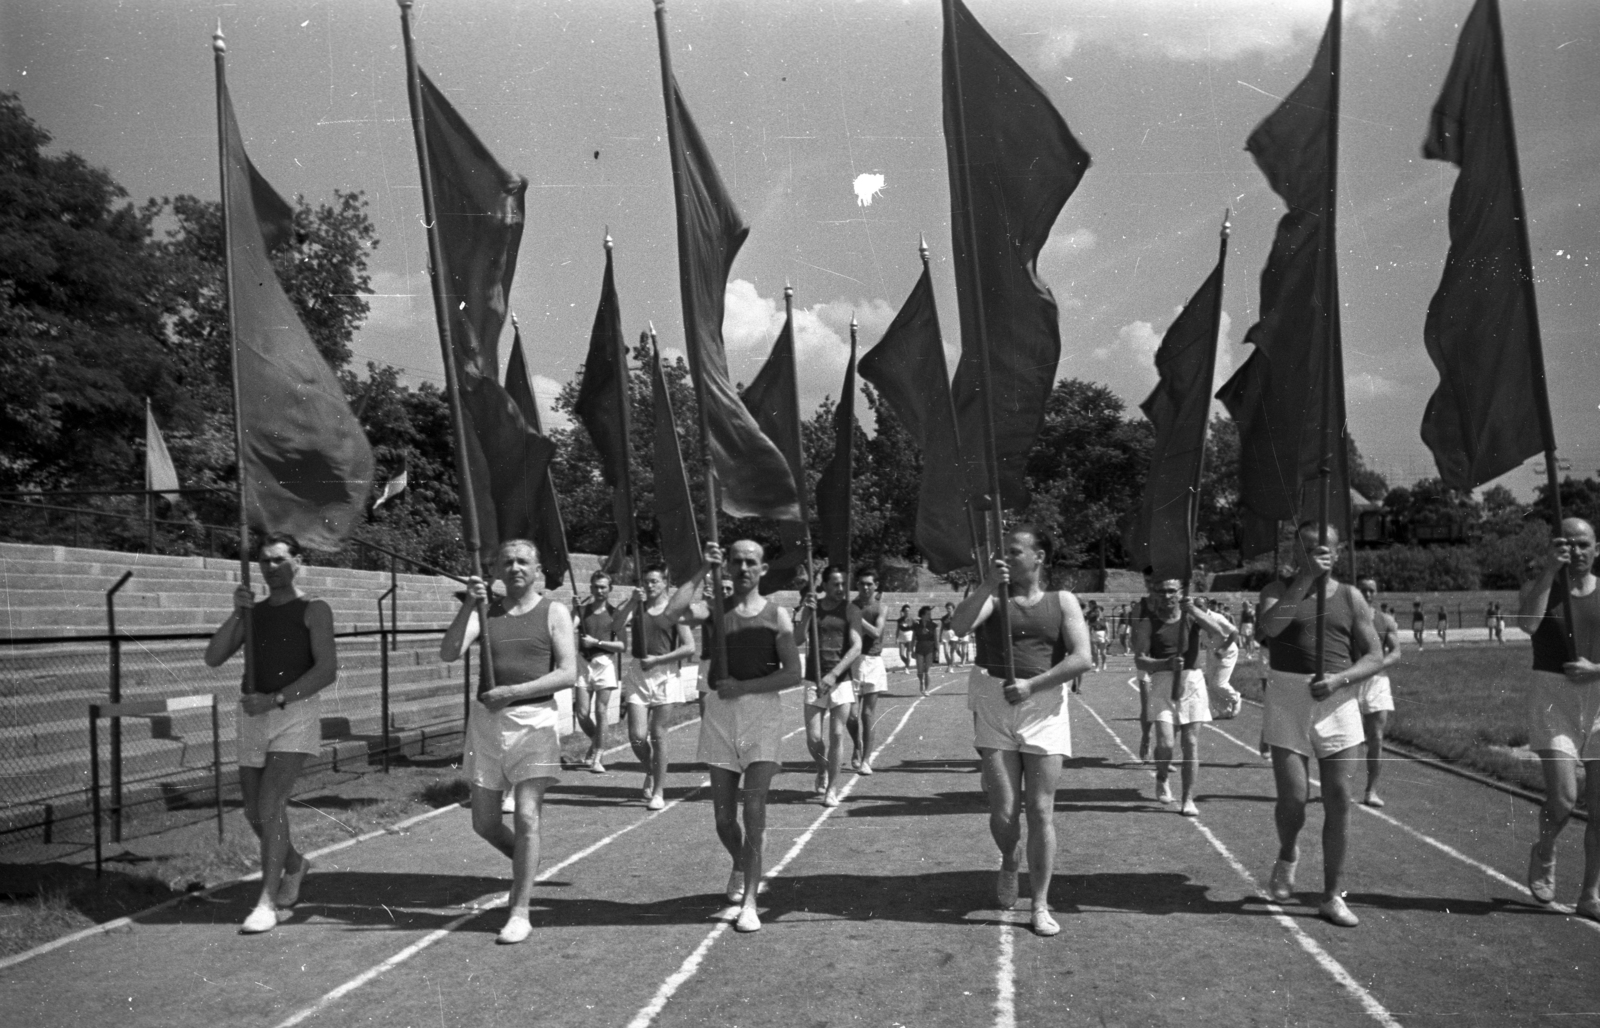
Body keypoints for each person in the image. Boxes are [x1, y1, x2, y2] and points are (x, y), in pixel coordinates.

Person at [952, 525, 1092, 937]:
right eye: (1002, 553)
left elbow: (1082, 657)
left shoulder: (1062, 601)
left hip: (1044, 706)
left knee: (1042, 810)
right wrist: (985, 585)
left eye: (1013, 553)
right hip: (995, 704)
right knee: (1005, 812)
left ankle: (1041, 903)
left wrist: (1033, 685)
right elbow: (960, 626)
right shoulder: (994, 600)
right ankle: (1010, 860)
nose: (1005, 559)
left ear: (1039, 557)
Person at [439, 539, 577, 944]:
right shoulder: (487, 610)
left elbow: (568, 673)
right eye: (506, 562)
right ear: (496, 570)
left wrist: (515, 693)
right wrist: (469, 604)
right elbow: (449, 652)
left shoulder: (554, 611)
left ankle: (520, 909)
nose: (515, 567)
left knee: (527, 815)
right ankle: (526, 860)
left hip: (534, 721)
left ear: (536, 570)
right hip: (488, 723)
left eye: (523, 561)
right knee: (484, 823)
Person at [665, 540, 801, 933]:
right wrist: (701, 571)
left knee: (753, 812)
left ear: (762, 570)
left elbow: (792, 673)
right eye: (736, 561)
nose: (743, 567)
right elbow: (671, 613)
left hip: (761, 715)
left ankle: (751, 902)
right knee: (724, 818)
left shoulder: (777, 615)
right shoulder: (713, 610)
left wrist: (743, 687)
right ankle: (741, 862)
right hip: (721, 716)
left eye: (750, 562)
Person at [204, 533, 336, 935]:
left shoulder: (314, 608)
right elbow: (213, 657)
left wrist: (277, 699)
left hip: (292, 710)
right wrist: (236, 613)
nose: (270, 567)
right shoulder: (254, 612)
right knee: (253, 811)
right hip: (253, 713)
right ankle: (294, 864)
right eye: (264, 561)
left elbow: (326, 670)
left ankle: (266, 900)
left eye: (279, 560)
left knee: (270, 804)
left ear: (298, 561)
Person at [1256, 522, 1386, 928]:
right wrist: (1304, 581)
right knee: (1293, 800)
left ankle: (1332, 895)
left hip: (1336, 698)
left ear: (1339, 550)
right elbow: (1269, 629)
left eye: (1325, 547)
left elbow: (1375, 655)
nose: (1318, 554)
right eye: (1308, 548)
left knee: (1339, 799)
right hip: (1288, 699)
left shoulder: (1351, 597)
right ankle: (1289, 851)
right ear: (1297, 553)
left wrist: (1340, 679)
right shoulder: (1276, 591)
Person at [1516, 517, 1600, 921]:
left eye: (1585, 544)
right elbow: (1527, 625)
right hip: (1552, 695)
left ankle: (1591, 894)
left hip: (1599, 697)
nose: (1577, 552)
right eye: (1569, 545)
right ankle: (1545, 850)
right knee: (1564, 798)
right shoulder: (1543, 588)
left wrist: (1596, 670)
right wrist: (1549, 570)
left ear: (1597, 549)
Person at [1133, 580, 1229, 815]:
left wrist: (1193, 609)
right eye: (1161, 590)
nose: (1166, 595)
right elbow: (1140, 659)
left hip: (1192, 682)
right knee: (1166, 743)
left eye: (1171, 591)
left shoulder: (1191, 617)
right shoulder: (1149, 623)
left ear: (1180, 593)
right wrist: (1165, 663)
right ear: (1155, 593)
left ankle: (1188, 798)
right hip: (1163, 682)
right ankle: (1162, 776)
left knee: (1191, 744)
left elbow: (1218, 633)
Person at [620, 566, 696, 811]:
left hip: (665, 673)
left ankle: (659, 790)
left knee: (658, 734)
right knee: (637, 736)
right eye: (646, 581)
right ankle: (650, 769)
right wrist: (632, 603)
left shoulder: (674, 611)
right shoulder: (638, 606)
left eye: (654, 581)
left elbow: (689, 647)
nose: (649, 586)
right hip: (638, 672)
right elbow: (615, 625)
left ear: (665, 583)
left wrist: (658, 660)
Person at [795, 565, 861, 806]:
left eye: (844, 584)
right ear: (824, 585)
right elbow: (797, 639)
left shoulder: (851, 610)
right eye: (835, 584)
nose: (841, 589)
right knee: (813, 738)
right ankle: (822, 766)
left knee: (836, 734)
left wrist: (834, 674)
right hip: (813, 679)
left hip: (840, 681)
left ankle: (832, 789)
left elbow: (856, 647)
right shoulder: (814, 608)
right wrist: (805, 613)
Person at [1355, 577, 1403, 808]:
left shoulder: (1385, 620)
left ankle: (1371, 790)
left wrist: (1377, 664)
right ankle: (1337, 786)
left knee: (1376, 737)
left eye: (1371, 590)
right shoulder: (1346, 617)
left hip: (1376, 682)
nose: (1367, 594)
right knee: (1346, 739)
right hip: (1350, 681)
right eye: (1363, 590)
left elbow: (1396, 652)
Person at [574, 571, 625, 774]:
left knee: (601, 711)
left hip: (604, 663)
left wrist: (598, 643)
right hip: (583, 663)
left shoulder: (615, 615)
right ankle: (597, 742)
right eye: (596, 587)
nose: (599, 590)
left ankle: (597, 756)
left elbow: (622, 646)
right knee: (582, 713)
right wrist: (573, 609)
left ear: (610, 589)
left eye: (603, 587)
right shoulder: (582, 610)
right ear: (591, 588)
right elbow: (569, 627)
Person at [847, 568, 888, 775]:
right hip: (853, 662)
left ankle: (866, 760)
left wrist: (857, 618)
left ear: (876, 586)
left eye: (869, 584)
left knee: (867, 715)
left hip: (873, 662)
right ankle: (857, 745)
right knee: (851, 716)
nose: (865, 587)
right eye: (862, 583)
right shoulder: (851, 606)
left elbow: (877, 632)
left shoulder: (880, 608)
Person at [1198, 597, 1242, 719]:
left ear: (1206, 606)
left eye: (1200, 606)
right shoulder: (1196, 620)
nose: (1197, 609)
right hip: (1211, 652)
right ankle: (1224, 711)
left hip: (1226, 651)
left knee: (1219, 684)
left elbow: (1234, 632)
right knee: (1211, 685)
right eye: (1195, 606)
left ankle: (1236, 698)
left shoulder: (1217, 618)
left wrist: (1223, 649)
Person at [911, 605, 940, 696]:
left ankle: (926, 689)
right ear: (922, 615)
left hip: (930, 648)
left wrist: (937, 650)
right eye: (927, 614)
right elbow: (913, 638)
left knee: (927, 670)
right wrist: (911, 650)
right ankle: (921, 682)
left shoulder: (933, 625)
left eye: (930, 614)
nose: (929, 616)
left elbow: (936, 638)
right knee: (920, 671)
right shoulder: (916, 625)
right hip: (919, 647)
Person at [896, 603, 914, 672]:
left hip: (909, 638)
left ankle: (907, 668)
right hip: (902, 638)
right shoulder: (899, 620)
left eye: (908, 611)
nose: (907, 612)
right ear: (903, 612)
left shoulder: (911, 619)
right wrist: (896, 638)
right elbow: (897, 630)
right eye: (906, 611)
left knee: (908, 654)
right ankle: (907, 663)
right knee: (901, 654)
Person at [940, 602, 958, 670]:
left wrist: (959, 635)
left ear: (953, 609)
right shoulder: (944, 617)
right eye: (947, 608)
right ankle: (949, 664)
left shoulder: (956, 617)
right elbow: (942, 627)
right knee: (945, 652)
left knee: (952, 652)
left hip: (953, 633)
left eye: (949, 608)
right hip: (945, 633)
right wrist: (940, 636)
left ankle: (951, 667)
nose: (948, 610)